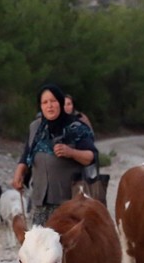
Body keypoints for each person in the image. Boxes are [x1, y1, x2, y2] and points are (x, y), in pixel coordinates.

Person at [12, 84, 98, 228]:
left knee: (67, 245)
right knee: (41, 247)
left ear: (60, 102)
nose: (49, 106)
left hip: (69, 202)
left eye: (53, 101)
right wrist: (19, 173)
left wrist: (71, 152)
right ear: (40, 106)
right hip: (41, 202)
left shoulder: (76, 127)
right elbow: (27, 153)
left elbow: (91, 156)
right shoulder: (35, 127)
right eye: (45, 102)